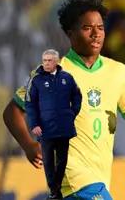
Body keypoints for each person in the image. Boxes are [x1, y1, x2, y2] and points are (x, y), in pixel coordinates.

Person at [3, 0, 125, 200]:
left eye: (100, 27)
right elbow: (12, 111)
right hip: (71, 175)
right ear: (70, 33)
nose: (96, 33)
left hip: (97, 176)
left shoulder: (118, 72)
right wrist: (29, 146)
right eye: (87, 28)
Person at [25, 49, 82, 199]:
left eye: (49, 60)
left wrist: (72, 113)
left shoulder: (67, 78)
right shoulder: (36, 80)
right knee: (49, 161)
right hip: (45, 128)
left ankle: (55, 189)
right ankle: (54, 191)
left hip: (64, 127)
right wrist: (34, 124)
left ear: (56, 62)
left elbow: (77, 95)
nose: (46, 63)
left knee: (62, 160)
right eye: (44, 60)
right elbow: (30, 103)